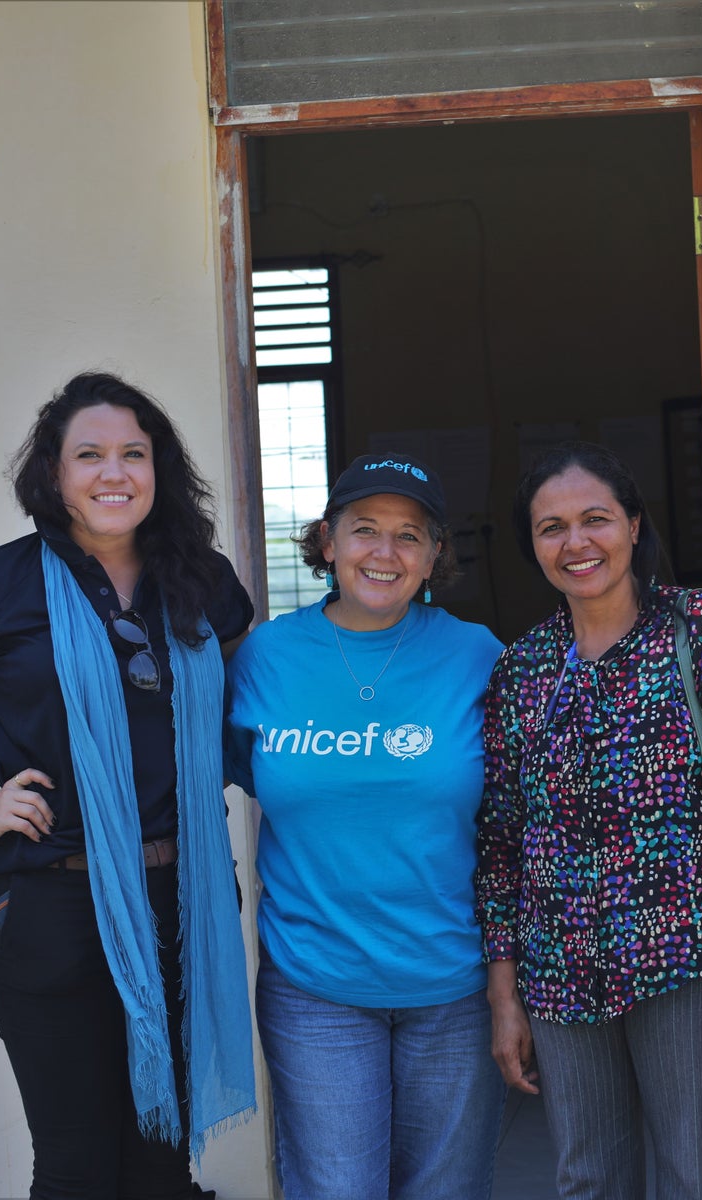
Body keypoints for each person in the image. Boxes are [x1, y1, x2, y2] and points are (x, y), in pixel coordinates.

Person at [0, 371, 256, 1199]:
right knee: (78, 1168)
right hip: (52, 910)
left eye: (134, 453)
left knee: (160, 1167)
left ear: (159, 469)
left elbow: (245, 712)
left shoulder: (201, 581)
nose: (115, 473)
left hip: (183, 899)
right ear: (55, 474)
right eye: (90, 455)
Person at [476, 442, 702, 1200]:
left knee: (700, 1174)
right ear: (533, 545)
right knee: (588, 1178)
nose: (576, 542)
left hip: (687, 962)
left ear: (634, 525)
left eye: (595, 519)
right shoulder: (523, 671)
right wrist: (504, 994)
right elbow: (500, 844)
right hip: (558, 971)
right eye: (551, 527)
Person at [223, 453, 506, 1199]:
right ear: (326, 541)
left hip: (453, 985)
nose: (385, 553)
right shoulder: (266, 657)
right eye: (364, 531)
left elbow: (521, 818)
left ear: (435, 554)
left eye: (409, 535)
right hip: (315, 983)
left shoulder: (478, 656)